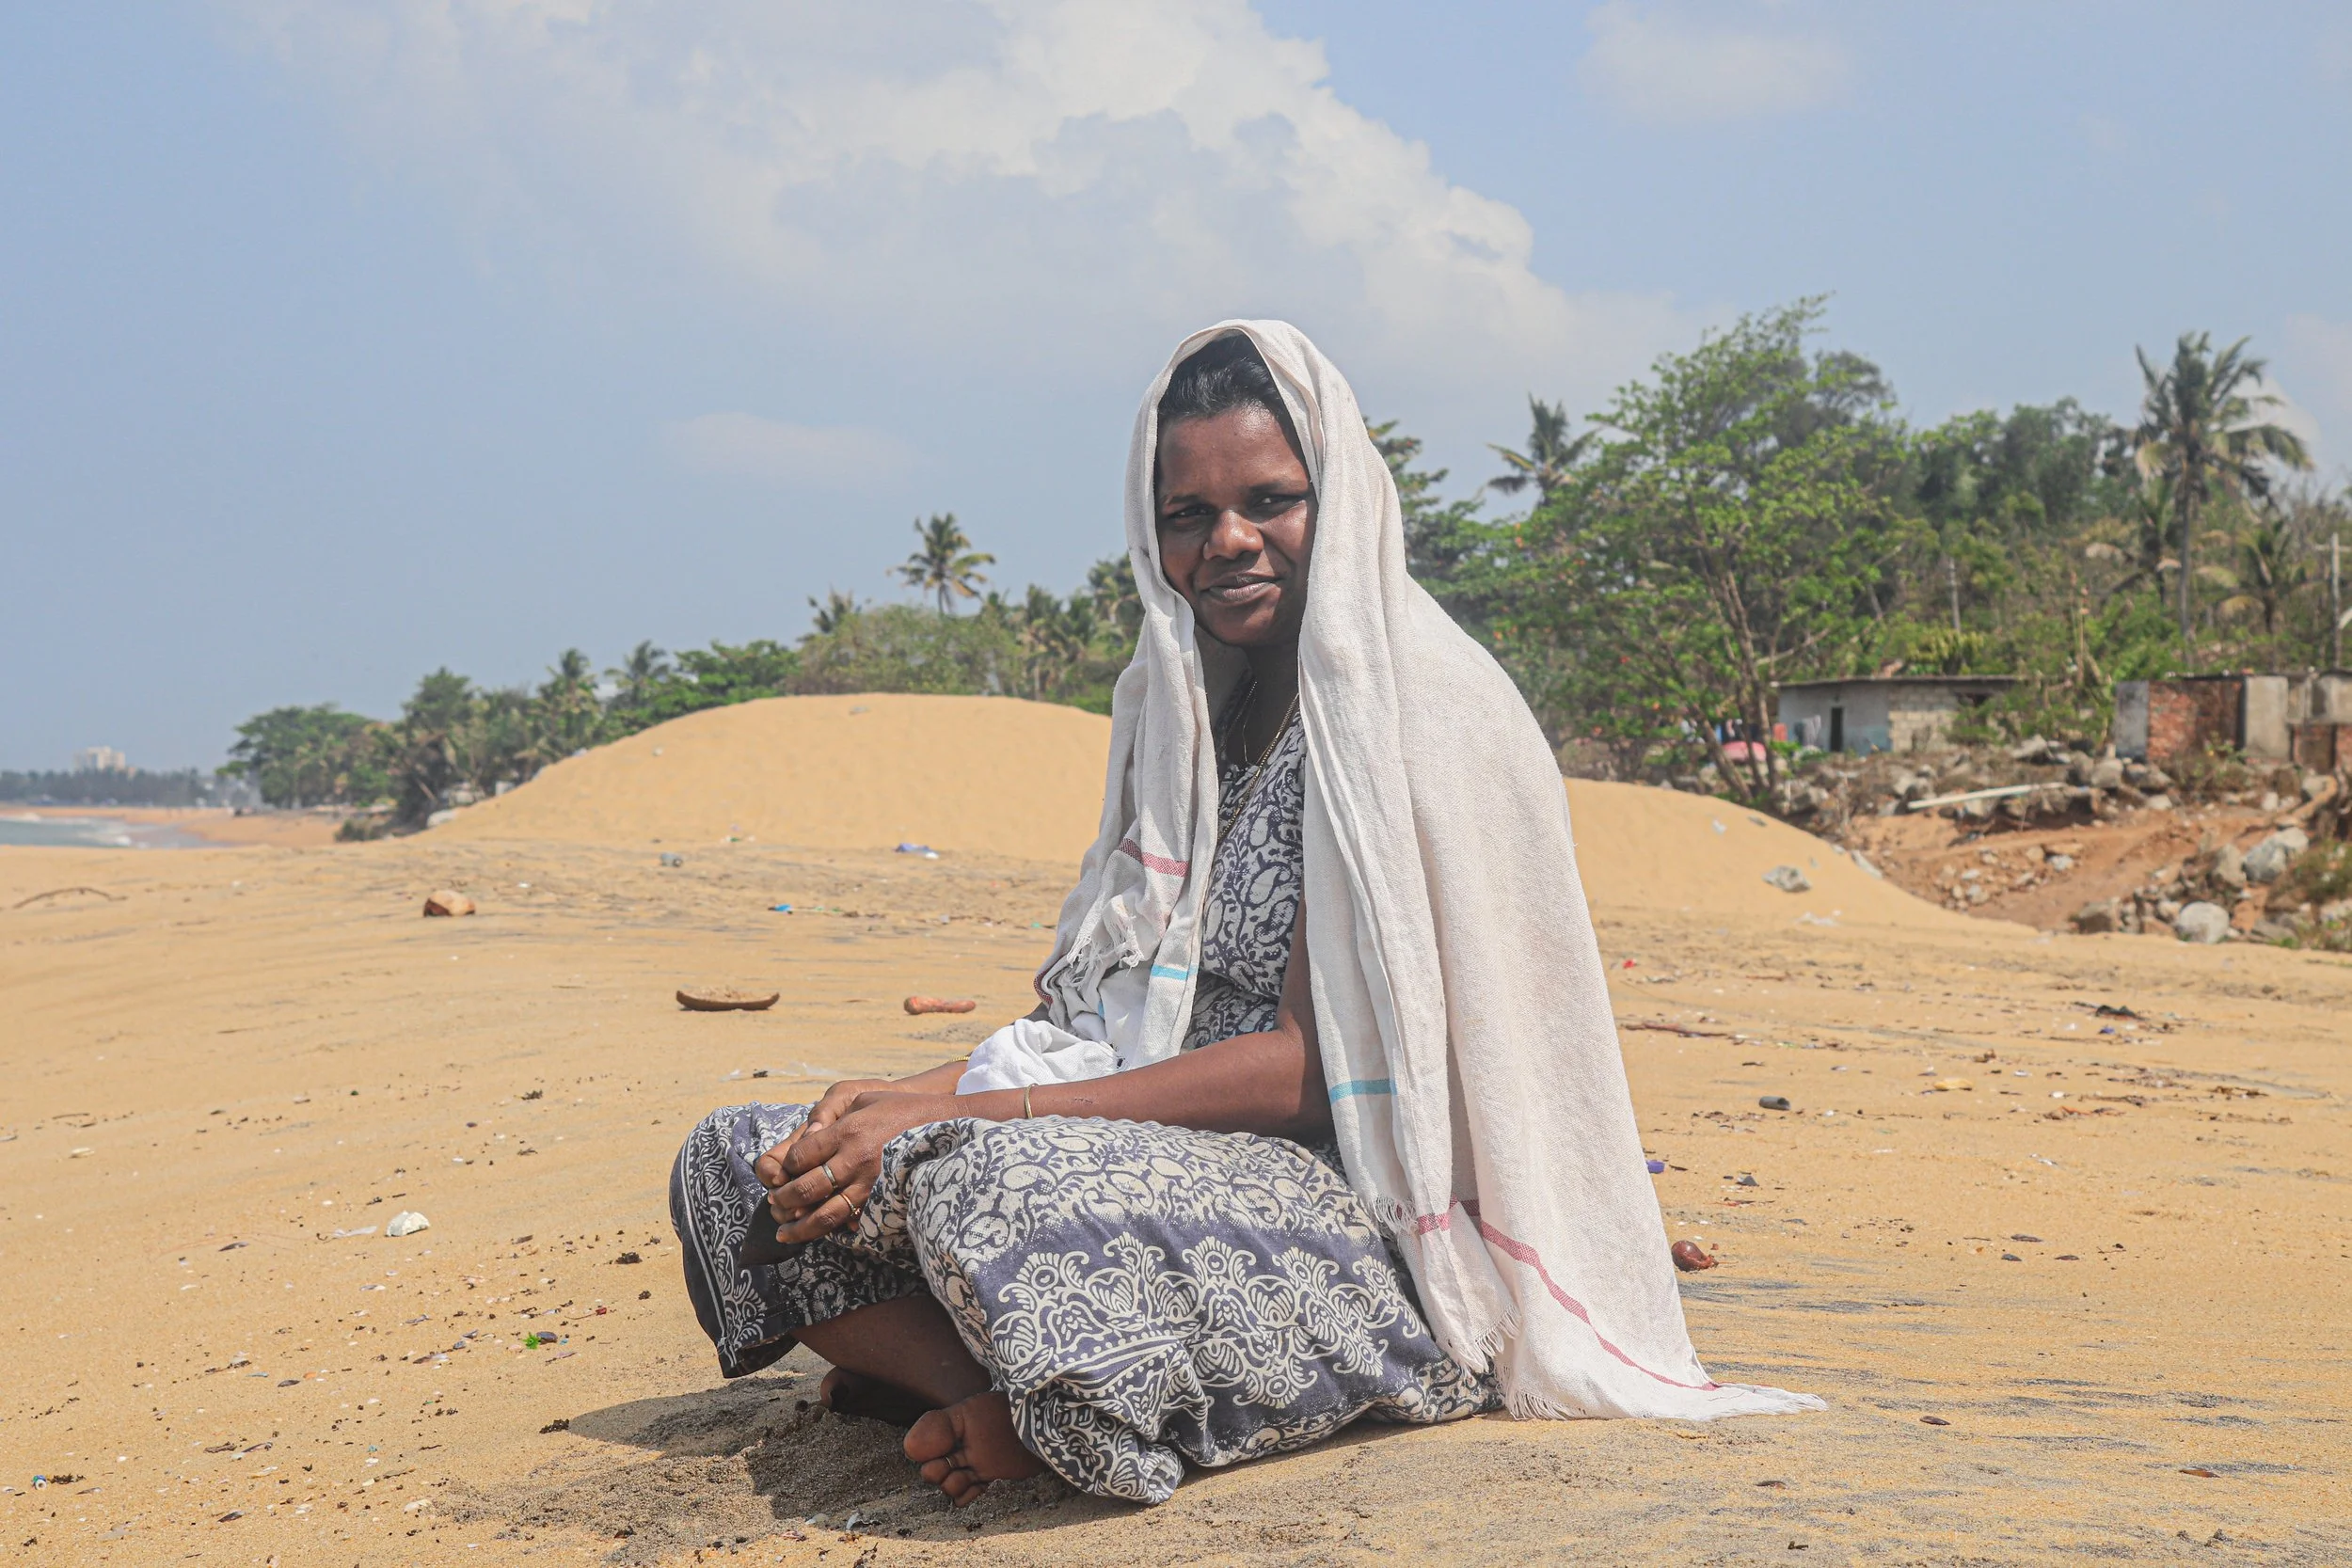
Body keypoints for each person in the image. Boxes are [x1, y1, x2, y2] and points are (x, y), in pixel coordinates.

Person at [671, 323, 1818, 1509]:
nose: (1227, 541)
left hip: (1358, 1202)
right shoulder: (1182, 712)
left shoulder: (1414, 714)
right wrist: (904, 1096)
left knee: (986, 1186)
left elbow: (1313, 1072)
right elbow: (1101, 1015)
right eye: (1187, 513)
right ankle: (992, 1383)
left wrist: (968, 1114)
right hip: (1135, 1143)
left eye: (1270, 499)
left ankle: (1056, 1389)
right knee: (743, 1158)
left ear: (1342, 495)